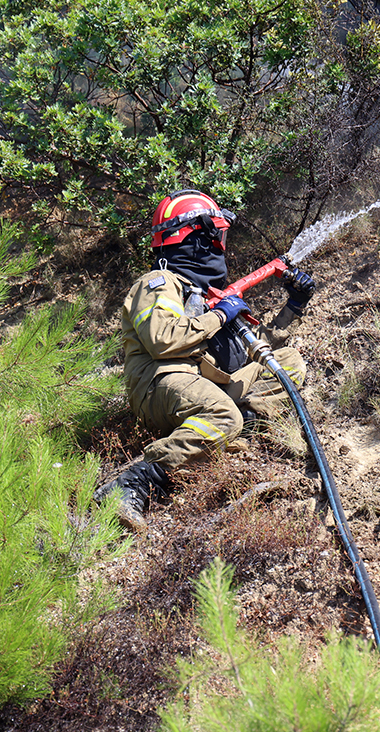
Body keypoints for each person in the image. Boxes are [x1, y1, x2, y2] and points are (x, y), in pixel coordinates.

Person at [96, 189, 316, 532]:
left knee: (288, 362)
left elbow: (253, 350)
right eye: (217, 236)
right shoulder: (158, 284)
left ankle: (230, 428)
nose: (221, 246)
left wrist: (294, 305)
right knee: (222, 413)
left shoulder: (207, 294)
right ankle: (133, 483)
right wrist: (219, 316)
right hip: (160, 383)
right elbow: (163, 340)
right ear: (198, 237)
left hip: (205, 385)